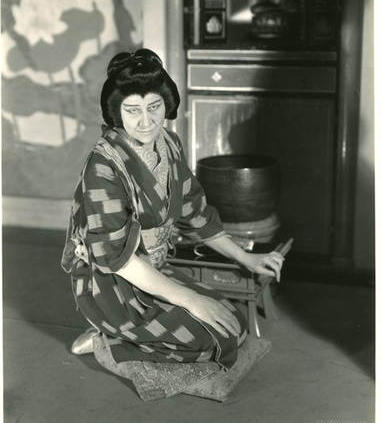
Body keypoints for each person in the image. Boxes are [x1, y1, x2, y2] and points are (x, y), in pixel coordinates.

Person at [61, 48, 284, 388]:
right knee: (204, 338)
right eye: (132, 111)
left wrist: (246, 257)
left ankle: (132, 332)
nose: (146, 121)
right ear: (116, 113)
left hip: (155, 268)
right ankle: (107, 336)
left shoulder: (170, 144)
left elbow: (196, 213)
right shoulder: (103, 166)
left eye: (154, 107)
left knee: (232, 325)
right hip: (111, 279)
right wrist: (192, 299)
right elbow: (117, 261)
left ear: (167, 103)